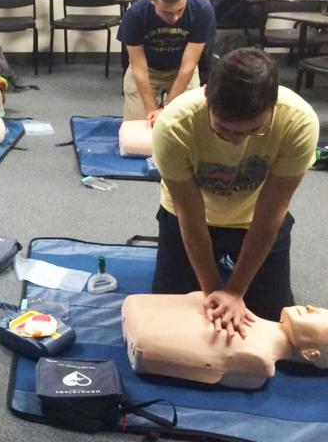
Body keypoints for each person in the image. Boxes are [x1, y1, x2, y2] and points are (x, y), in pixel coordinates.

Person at [152, 48, 319, 334]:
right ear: (207, 96)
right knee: (170, 324)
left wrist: (236, 291)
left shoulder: (298, 122)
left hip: (255, 219)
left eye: (251, 131)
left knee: (272, 323)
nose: (235, 142)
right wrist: (215, 291)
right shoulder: (173, 126)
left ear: (272, 104)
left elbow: (271, 213)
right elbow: (189, 216)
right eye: (222, 130)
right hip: (191, 219)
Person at [122, 292, 328, 388]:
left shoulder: (259, 358)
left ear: (311, 354)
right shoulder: (248, 314)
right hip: (143, 317)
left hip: (147, 337)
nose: (312, 307)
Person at [118, 0, 216, 126]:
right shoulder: (135, 15)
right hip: (147, 70)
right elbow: (138, 67)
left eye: (180, 10)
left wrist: (166, 108)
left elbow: (188, 66)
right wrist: (151, 111)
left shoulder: (202, 11)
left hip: (181, 69)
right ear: (152, 0)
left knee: (186, 126)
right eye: (167, 12)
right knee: (137, 127)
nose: (175, 18)